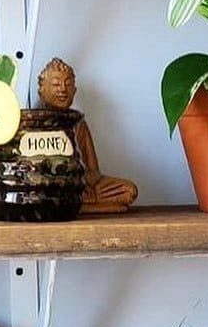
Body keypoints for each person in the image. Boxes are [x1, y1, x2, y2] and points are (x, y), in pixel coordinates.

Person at [37, 58, 138, 213]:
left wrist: (85, 180)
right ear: (42, 91)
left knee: (129, 190)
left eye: (68, 84)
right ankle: (78, 203)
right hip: (55, 187)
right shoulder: (37, 124)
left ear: (74, 91)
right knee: (47, 192)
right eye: (56, 84)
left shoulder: (78, 123)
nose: (63, 89)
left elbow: (93, 170)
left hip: (81, 186)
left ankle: (80, 203)